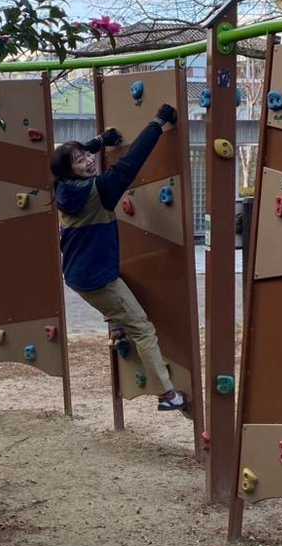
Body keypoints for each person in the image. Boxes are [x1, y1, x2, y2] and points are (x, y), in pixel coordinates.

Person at [51, 103, 187, 412]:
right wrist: (158, 122)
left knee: (118, 301)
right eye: (80, 161)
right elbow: (131, 163)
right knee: (143, 328)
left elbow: (74, 156)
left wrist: (99, 142)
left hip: (79, 273)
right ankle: (167, 395)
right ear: (70, 170)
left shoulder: (62, 187)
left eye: (86, 155)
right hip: (98, 279)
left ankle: (116, 326)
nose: (88, 161)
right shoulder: (99, 191)